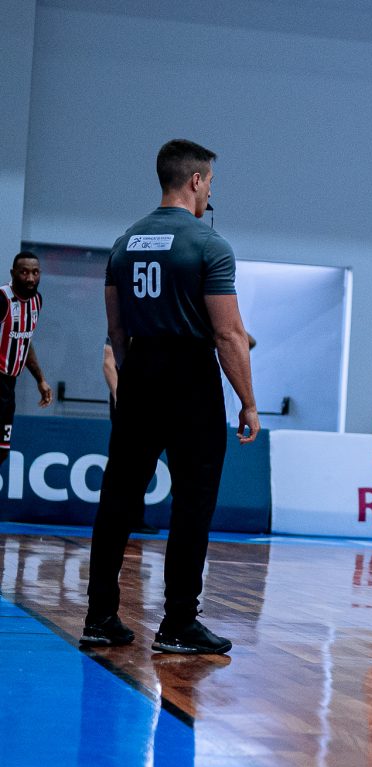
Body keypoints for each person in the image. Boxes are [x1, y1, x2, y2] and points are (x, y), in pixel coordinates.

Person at [81, 139, 259, 655]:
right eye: (210, 183)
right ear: (196, 180)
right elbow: (228, 334)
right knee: (193, 502)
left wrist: (134, 375)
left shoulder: (124, 242)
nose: (210, 194)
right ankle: (179, 622)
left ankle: (100, 617)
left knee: (117, 499)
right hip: (190, 377)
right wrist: (247, 402)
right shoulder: (209, 245)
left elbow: (116, 330)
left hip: (139, 372)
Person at [1, 251, 53, 466]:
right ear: (13, 273)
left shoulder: (36, 301)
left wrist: (40, 379)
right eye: (24, 272)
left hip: (9, 385)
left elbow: (25, 340)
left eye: (35, 272)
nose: (30, 278)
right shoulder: (2, 299)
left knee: (2, 451)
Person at [101, 339, 158, 536]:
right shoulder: (124, 326)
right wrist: (122, 397)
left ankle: (135, 516)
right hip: (126, 401)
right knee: (121, 460)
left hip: (150, 399)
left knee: (144, 460)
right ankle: (114, 516)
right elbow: (108, 363)